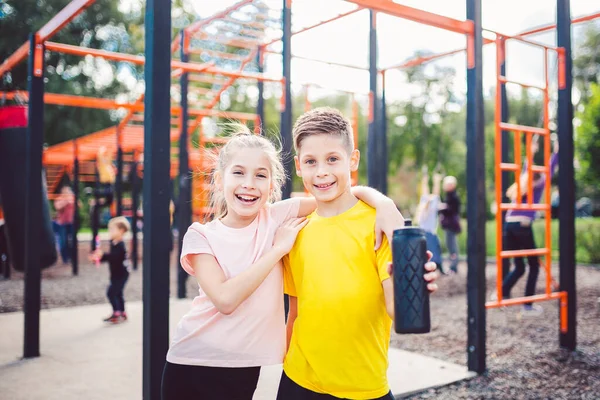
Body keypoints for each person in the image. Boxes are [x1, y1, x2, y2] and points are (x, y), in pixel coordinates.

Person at [162, 125, 405, 400]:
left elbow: (335, 195)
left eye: (261, 176)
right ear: (219, 180)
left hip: (243, 368)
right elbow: (225, 300)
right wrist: (278, 250)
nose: (249, 184)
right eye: (238, 172)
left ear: (272, 185)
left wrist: (384, 203)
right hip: (194, 362)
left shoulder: (275, 217)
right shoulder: (200, 235)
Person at [278, 107, 439, 399]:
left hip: (364, 388)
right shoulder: (296, 230)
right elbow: (295, 312)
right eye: (311, 162)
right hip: (296, 381)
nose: (322, 172)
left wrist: (414, 288)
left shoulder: (380, 226)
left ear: (353, 160)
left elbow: (397, 309)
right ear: (298, 166)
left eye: (332, 159)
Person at [501, 135, 559, 315]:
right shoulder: (539, 182)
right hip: (523, 225)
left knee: (519, 266)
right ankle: (527, 306)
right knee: (533, 265)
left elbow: (527, 165)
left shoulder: (524, 181)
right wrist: (557, 151)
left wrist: (531, 150)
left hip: (509, 225)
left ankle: (501, 294)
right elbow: (550, 167)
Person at [90, 216, 131, 324]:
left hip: (121, 274)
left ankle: (117, 312)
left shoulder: (120, 245)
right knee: (118, 293)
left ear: (121, 231)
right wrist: (99, 257)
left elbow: (115, 257)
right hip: (116, 273)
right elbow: (110, 258)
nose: (110, 232)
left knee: (111, 293)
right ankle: (122, 312)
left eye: (112, 229)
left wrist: (103, 255)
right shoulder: (114, 243)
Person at [415, 166, 443, 272]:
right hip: (430, 233)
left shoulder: (423, 206)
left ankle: (431, 266)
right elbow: (435, 193)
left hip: (425, 233)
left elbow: (426, 192)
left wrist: (425, 178)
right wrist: (437, 181)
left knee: (427, 251)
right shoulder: (430, 207)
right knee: (433, 251)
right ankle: (437, 266)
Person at [439, 175, 461, 274]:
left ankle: (453, 266)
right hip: (449, 225)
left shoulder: (454, 196)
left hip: (451, 225)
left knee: (452, 246)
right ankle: (452, 265)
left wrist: (443, 208)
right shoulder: (448, 196)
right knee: (450, 245)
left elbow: (452, 210)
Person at [54, 185, 75, 264]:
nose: (67, 193)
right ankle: (65, 259)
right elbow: (58, 207)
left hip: (71, 222)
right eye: (66, 192)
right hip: (62, 223)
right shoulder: (59, 199)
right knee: (63, 241)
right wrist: (66, 201)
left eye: (68, 191)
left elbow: (79, 205)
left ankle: (72, 257)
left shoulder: (72, 198)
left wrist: (72, 200)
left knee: (72, 241)